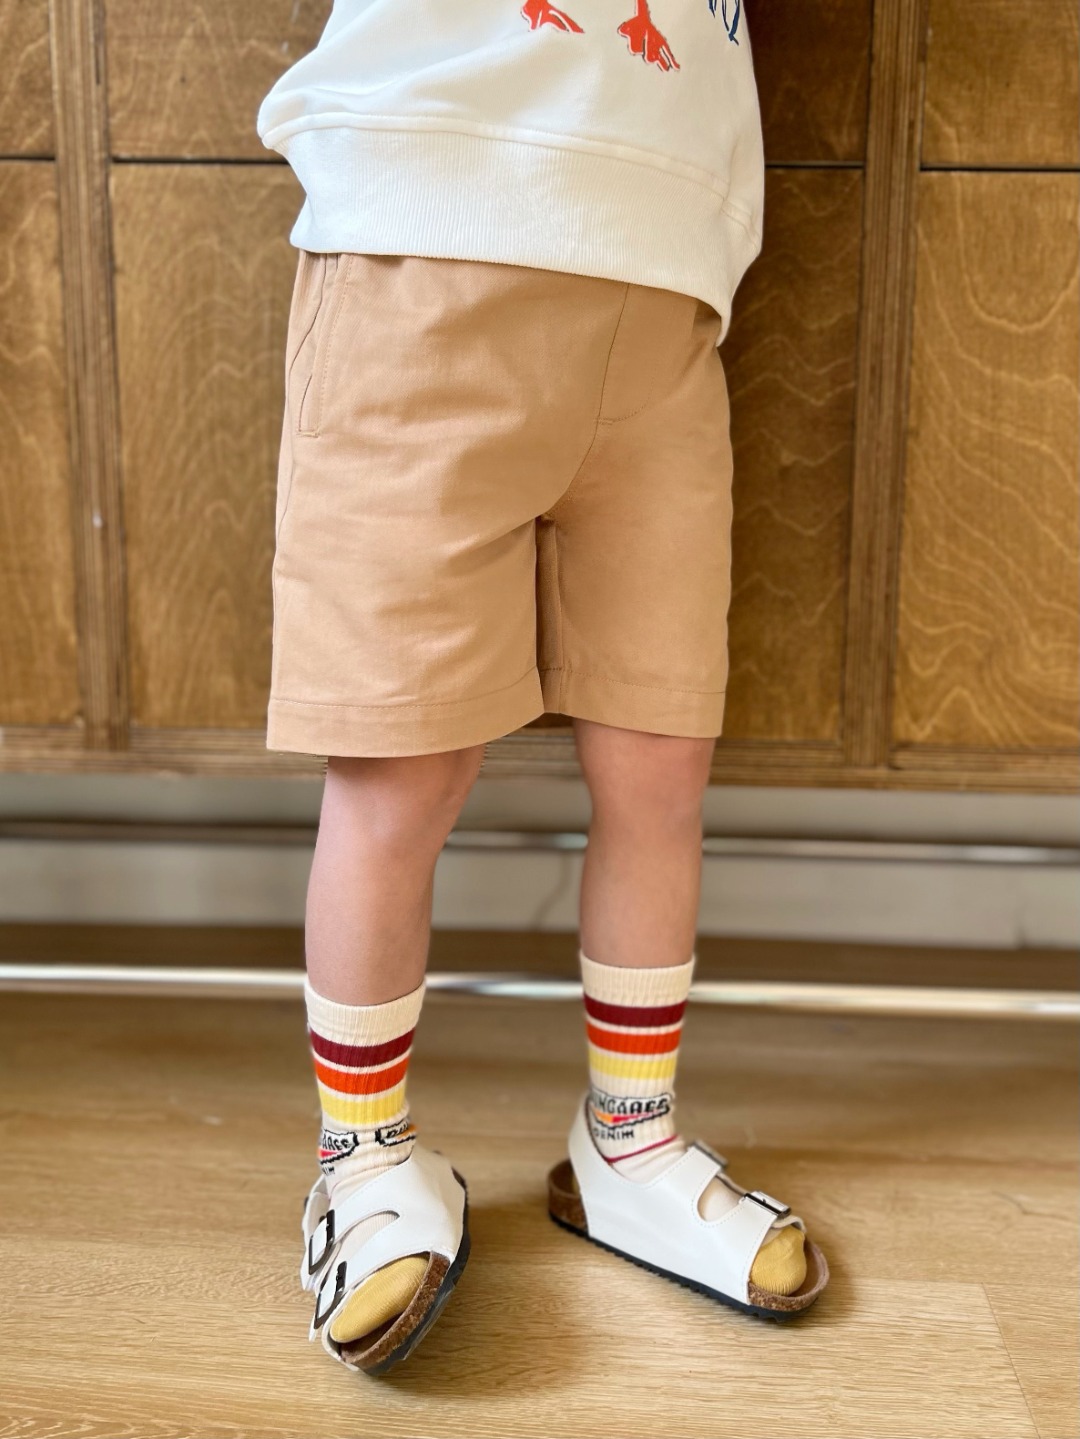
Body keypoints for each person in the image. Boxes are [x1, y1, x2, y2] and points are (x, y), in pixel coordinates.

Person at [256, 0, 828, 1377]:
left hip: (664, 287)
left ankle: (628, 1140)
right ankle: (363, 1158)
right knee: (400, 766)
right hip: (423, 240)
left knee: (660, 760)